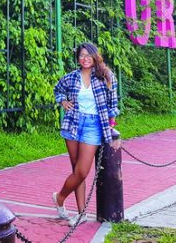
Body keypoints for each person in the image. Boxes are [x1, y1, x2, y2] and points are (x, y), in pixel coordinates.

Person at [52, 42, 119, 227]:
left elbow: (113, 103)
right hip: (73, 124)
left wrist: (112, 124)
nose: (85, 59)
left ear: (95, 56)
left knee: (82, 171)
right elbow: (58, 89)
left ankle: (59, 197)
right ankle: (82, 214)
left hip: (93, 126)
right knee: (76, 171)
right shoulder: (72, 77)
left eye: (88, 55)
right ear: (78, 58)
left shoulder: (106, 76)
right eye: (81, 56)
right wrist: (63, 101)